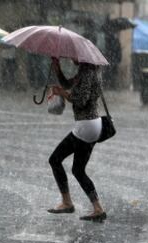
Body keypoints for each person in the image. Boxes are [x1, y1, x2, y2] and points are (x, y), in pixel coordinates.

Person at [47, 57, 106, 222]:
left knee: (55, 159)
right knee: (78, 170)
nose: (72, 58)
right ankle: (97, 208)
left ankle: (67, 202)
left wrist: (63, 94)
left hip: (86, 125)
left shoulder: (88, 73)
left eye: (74, 55)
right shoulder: (86, 71)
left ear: (83, 56)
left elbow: (80, 100)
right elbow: (68, 84)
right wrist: (58, 69)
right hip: (92, 125)